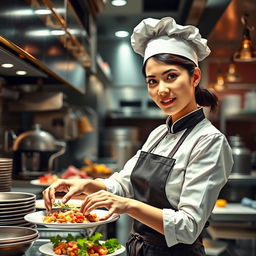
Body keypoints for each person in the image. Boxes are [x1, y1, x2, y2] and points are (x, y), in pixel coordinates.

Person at [43, 17, 233, 256]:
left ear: (195, 77)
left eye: (171, 76)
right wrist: (87, 185)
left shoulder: (210, 142)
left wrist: (127, 206)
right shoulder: (159, 133)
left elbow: (188, 227)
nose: (161, 90)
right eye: (152, 81)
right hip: (140, 249)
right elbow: (126, 182)